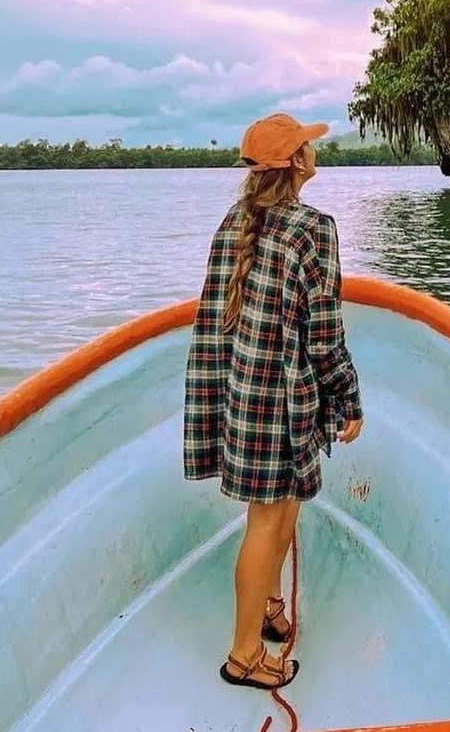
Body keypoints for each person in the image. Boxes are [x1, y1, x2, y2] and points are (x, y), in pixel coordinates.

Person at [183, 111, 364, 690]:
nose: (315, 152)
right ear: (296, 164)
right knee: (270, 520)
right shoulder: (313, 229)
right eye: (308, 147)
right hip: (282, 402)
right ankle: (242, 657)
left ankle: (264, 608)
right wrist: (349, 399)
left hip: (242, 394)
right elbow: (325, 334)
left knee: (280, 513)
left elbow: (214, 322)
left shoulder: (235, 221)